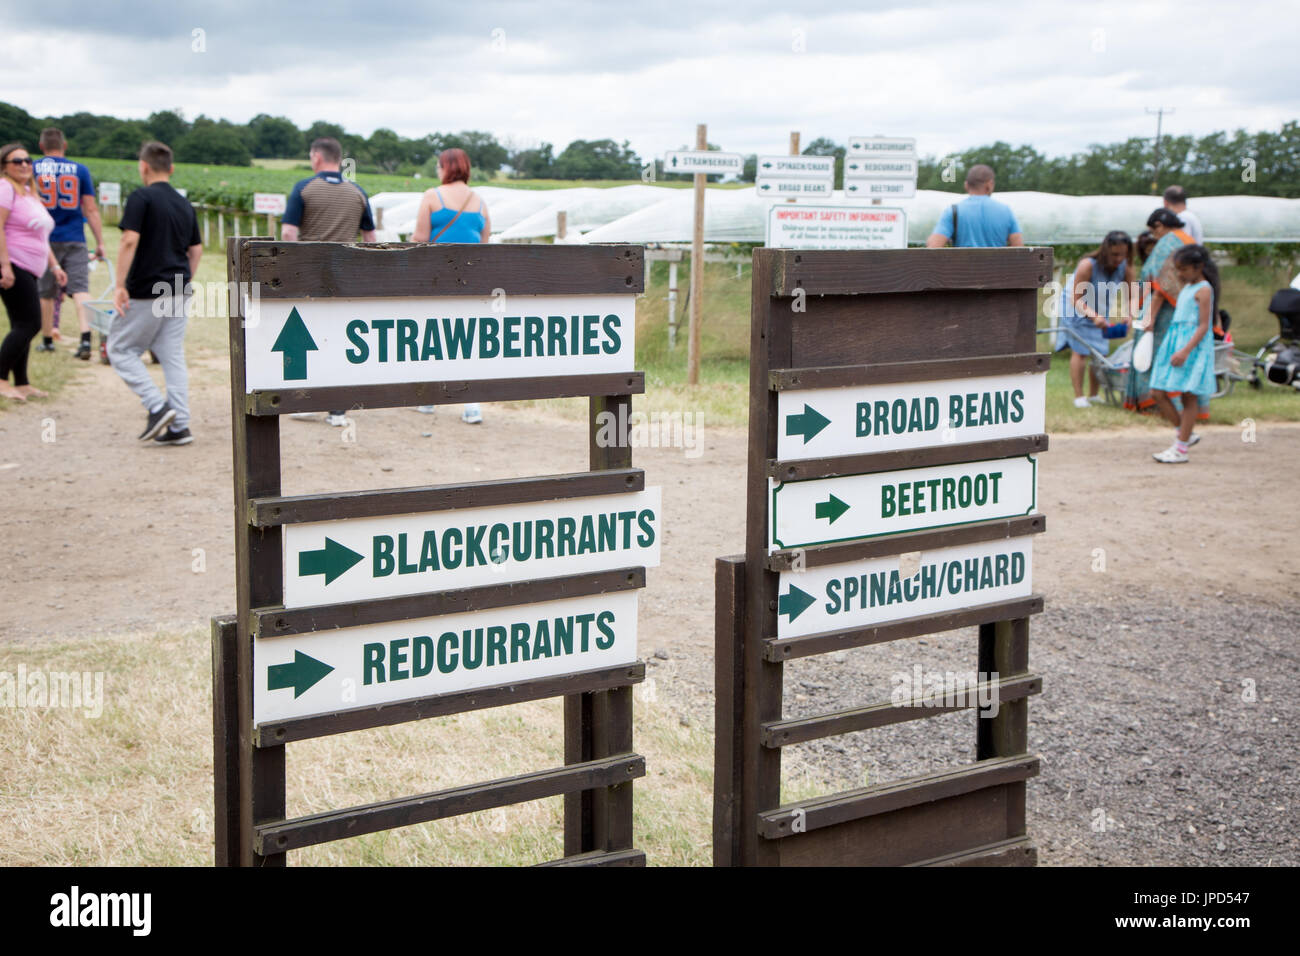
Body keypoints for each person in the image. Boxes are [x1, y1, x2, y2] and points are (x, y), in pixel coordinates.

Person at [110, 141, 202, 445]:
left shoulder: (141, 197)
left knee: (120, 350)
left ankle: (157, 406)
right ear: (171, 169)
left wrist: (120, 285)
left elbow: (128, 240)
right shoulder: (183, 202)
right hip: (178, 287)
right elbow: (196, 250)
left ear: (143, 166)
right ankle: (180, 425)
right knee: (170, 354)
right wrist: (184, 280)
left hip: (147, 289)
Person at [281, 136, 376, 428]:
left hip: (309, 275)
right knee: (339, 340)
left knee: (306, 340)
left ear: (317, 158)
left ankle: (306, 401)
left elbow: (287, 233)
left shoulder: (304, 188)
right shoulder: (357, 192)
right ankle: (338, 409)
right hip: (345, 277)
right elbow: (371, 239)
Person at [412, 147, 492, 423]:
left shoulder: (431, 196)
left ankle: (429, 399)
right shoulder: (480, 201)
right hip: (472, 282)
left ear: (446, 168)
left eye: (438, 166)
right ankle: (472, 405)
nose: (437, 171)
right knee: (467, 339)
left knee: (433, 336)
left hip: (437, 279)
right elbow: (484, 244)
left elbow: (420, 238)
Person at [0, 142, 65, 402]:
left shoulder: (29, 192)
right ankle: (1, 379)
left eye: (27, 160)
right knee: (31, 323)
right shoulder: (5, 188)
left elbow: (41, 236)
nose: (25, 165)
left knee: (22, 324)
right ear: (5, 167)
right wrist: (4, 265)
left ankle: (22, 382)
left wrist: (55, 265)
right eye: (17, 161)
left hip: (31, 267)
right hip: (13, 264)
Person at [33, 127, 104, 360]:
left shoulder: (32, 168)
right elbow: (90, 209)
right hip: (75, 236)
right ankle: (85, 339)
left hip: (44, 238)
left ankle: (46, 340)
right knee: (81, 289)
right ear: (65, 145)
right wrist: (100, 241)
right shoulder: (80, 170)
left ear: (41, 146)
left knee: (46, 292)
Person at [1149, 245, 1219, 463]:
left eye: (1184, 269)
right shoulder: (1187, 287)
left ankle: (1181, 448)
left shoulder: (1204, 289)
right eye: (1178, 269)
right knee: (1156, 391)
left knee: (1189, 396)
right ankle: (1185, 434)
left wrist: (1186, 351)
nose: (1180, 273)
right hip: (1175, 342)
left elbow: (1203, 326)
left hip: (1191, 347)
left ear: (1199, 267)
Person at [1124, 208, 1196, 415]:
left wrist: (1151, 316)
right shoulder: (1188, 240)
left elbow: (1162, 284)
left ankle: (1154, 404)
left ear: (1159, 226)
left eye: (1153, 232)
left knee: (1154, 354)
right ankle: (1178, 404)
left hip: (1163, 312)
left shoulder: (1168, 242)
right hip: (1184, 309)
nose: (1154, 237)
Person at [1059, 231, 1137, 407]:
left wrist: (1129, 315)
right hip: (1076, 307)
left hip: (1099, 306)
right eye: (1115, 254)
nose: (1119, 259)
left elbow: (1132, 296)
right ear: (1105, 251)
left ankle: (1094, 395)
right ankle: (1079, 397)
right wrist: (1093, 316)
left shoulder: (1126, 267)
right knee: (1081, 351)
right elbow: (1075, 298)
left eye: (1123, 254)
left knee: (1100, 352)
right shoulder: (1088, 265)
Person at [925, 164, 1024, 248]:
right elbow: (1019, 247)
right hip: (997, 270)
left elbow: (934, 245)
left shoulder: (953, 211)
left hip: (963, 270)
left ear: (966, 185)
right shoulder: (1005, 211)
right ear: (989, 185)